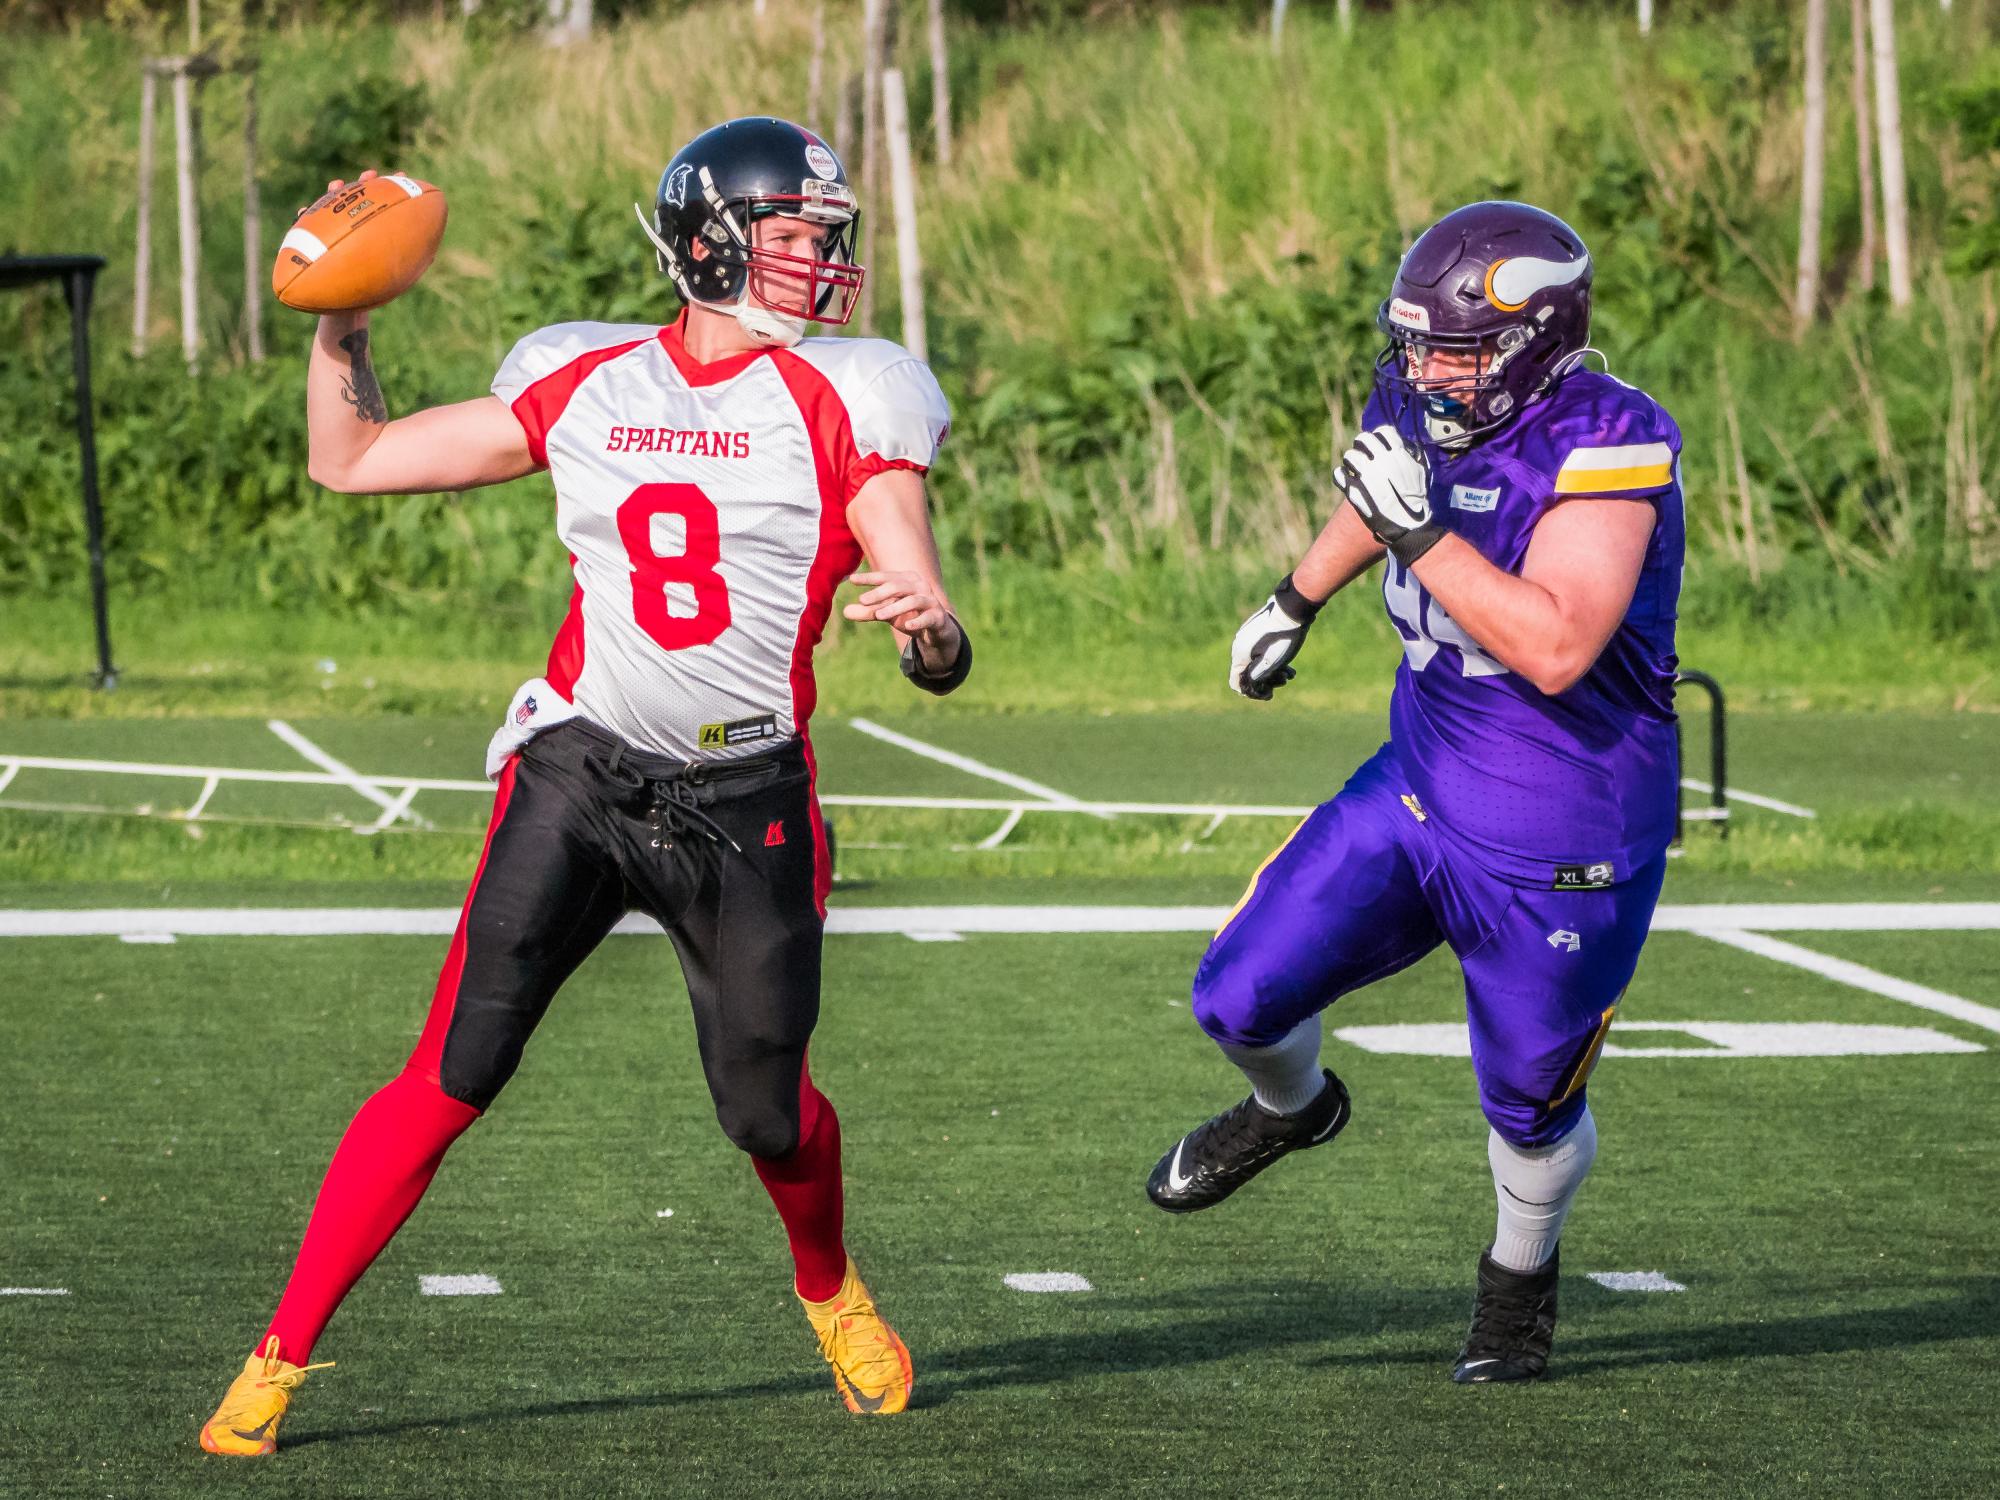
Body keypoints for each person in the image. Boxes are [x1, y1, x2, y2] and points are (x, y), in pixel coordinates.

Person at [200, 116, 967, 1456]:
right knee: (453, 1069)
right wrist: (343, 324)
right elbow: (351, 459)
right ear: (708, 244)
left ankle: (829, 1288)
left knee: (765, 1112)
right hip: (582, 768)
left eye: (823, 235)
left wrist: (929, 627)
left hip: (746, 795)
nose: (819, 258)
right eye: (791, 232)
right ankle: (279, 1353)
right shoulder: (587, 376)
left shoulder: (854, 390)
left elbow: (920, 595)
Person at [1146, 201, 1684, 1383]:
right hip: (1419, 785)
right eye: (1418, 348)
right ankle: (1290, 1110)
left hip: (1562, 833)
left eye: (1459, 351)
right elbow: (1377, 495)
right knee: (1235, 998)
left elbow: (1553, 647)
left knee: (1527, 1107)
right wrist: (1294, 599)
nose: (1429, 373)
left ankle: (1517, 1283)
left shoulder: (1605, 440)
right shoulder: (1420, 397)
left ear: (1539, 338)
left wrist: (1424, 534)